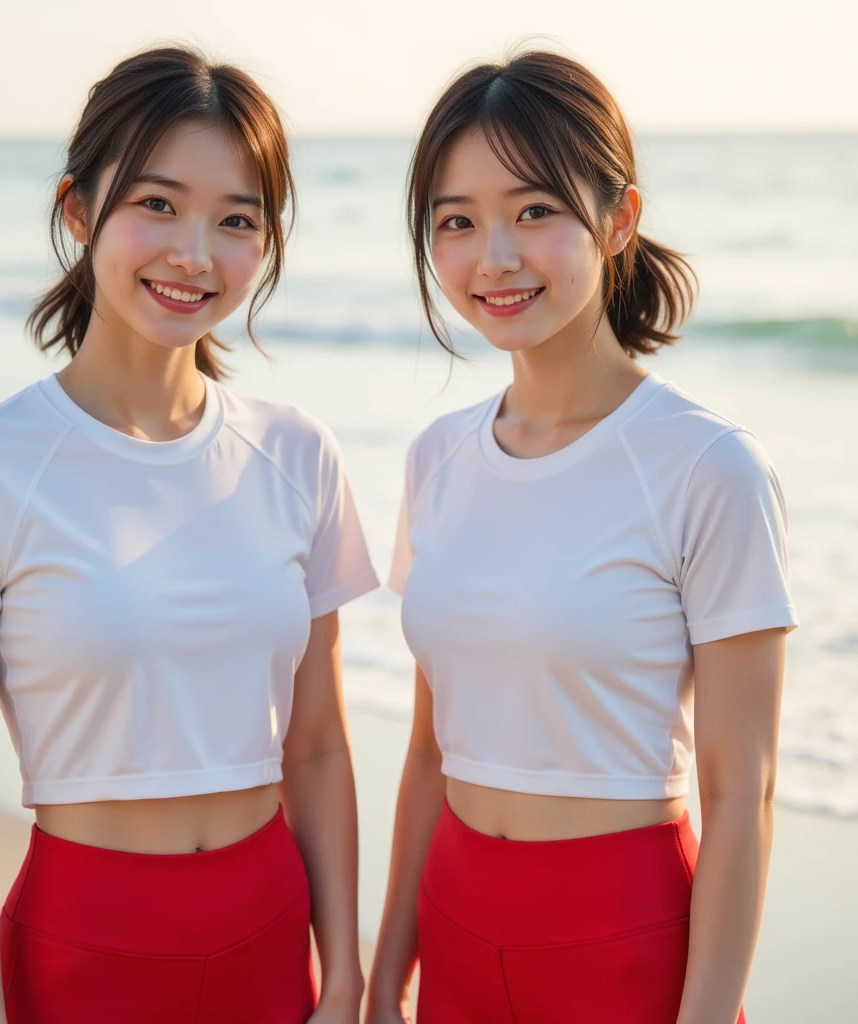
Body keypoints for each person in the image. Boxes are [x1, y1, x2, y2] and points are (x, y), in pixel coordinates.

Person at [0, 46, 376, 1024]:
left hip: (272, 945)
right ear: (77, 210)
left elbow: (316, 749)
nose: (195, 252)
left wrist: (345, 973)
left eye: (237, 220)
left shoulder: (297, 454)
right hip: (82, 954)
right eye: (157, 203)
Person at [366, 50, 796, 1024]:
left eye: (533, 211)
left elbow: (741, 793)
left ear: (617, 219)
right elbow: (431, 753)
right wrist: (387, 977)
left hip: (626, 946)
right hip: (457, 929)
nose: (494, 258)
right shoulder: (435, 458)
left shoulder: (709, 466)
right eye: (456, 222)